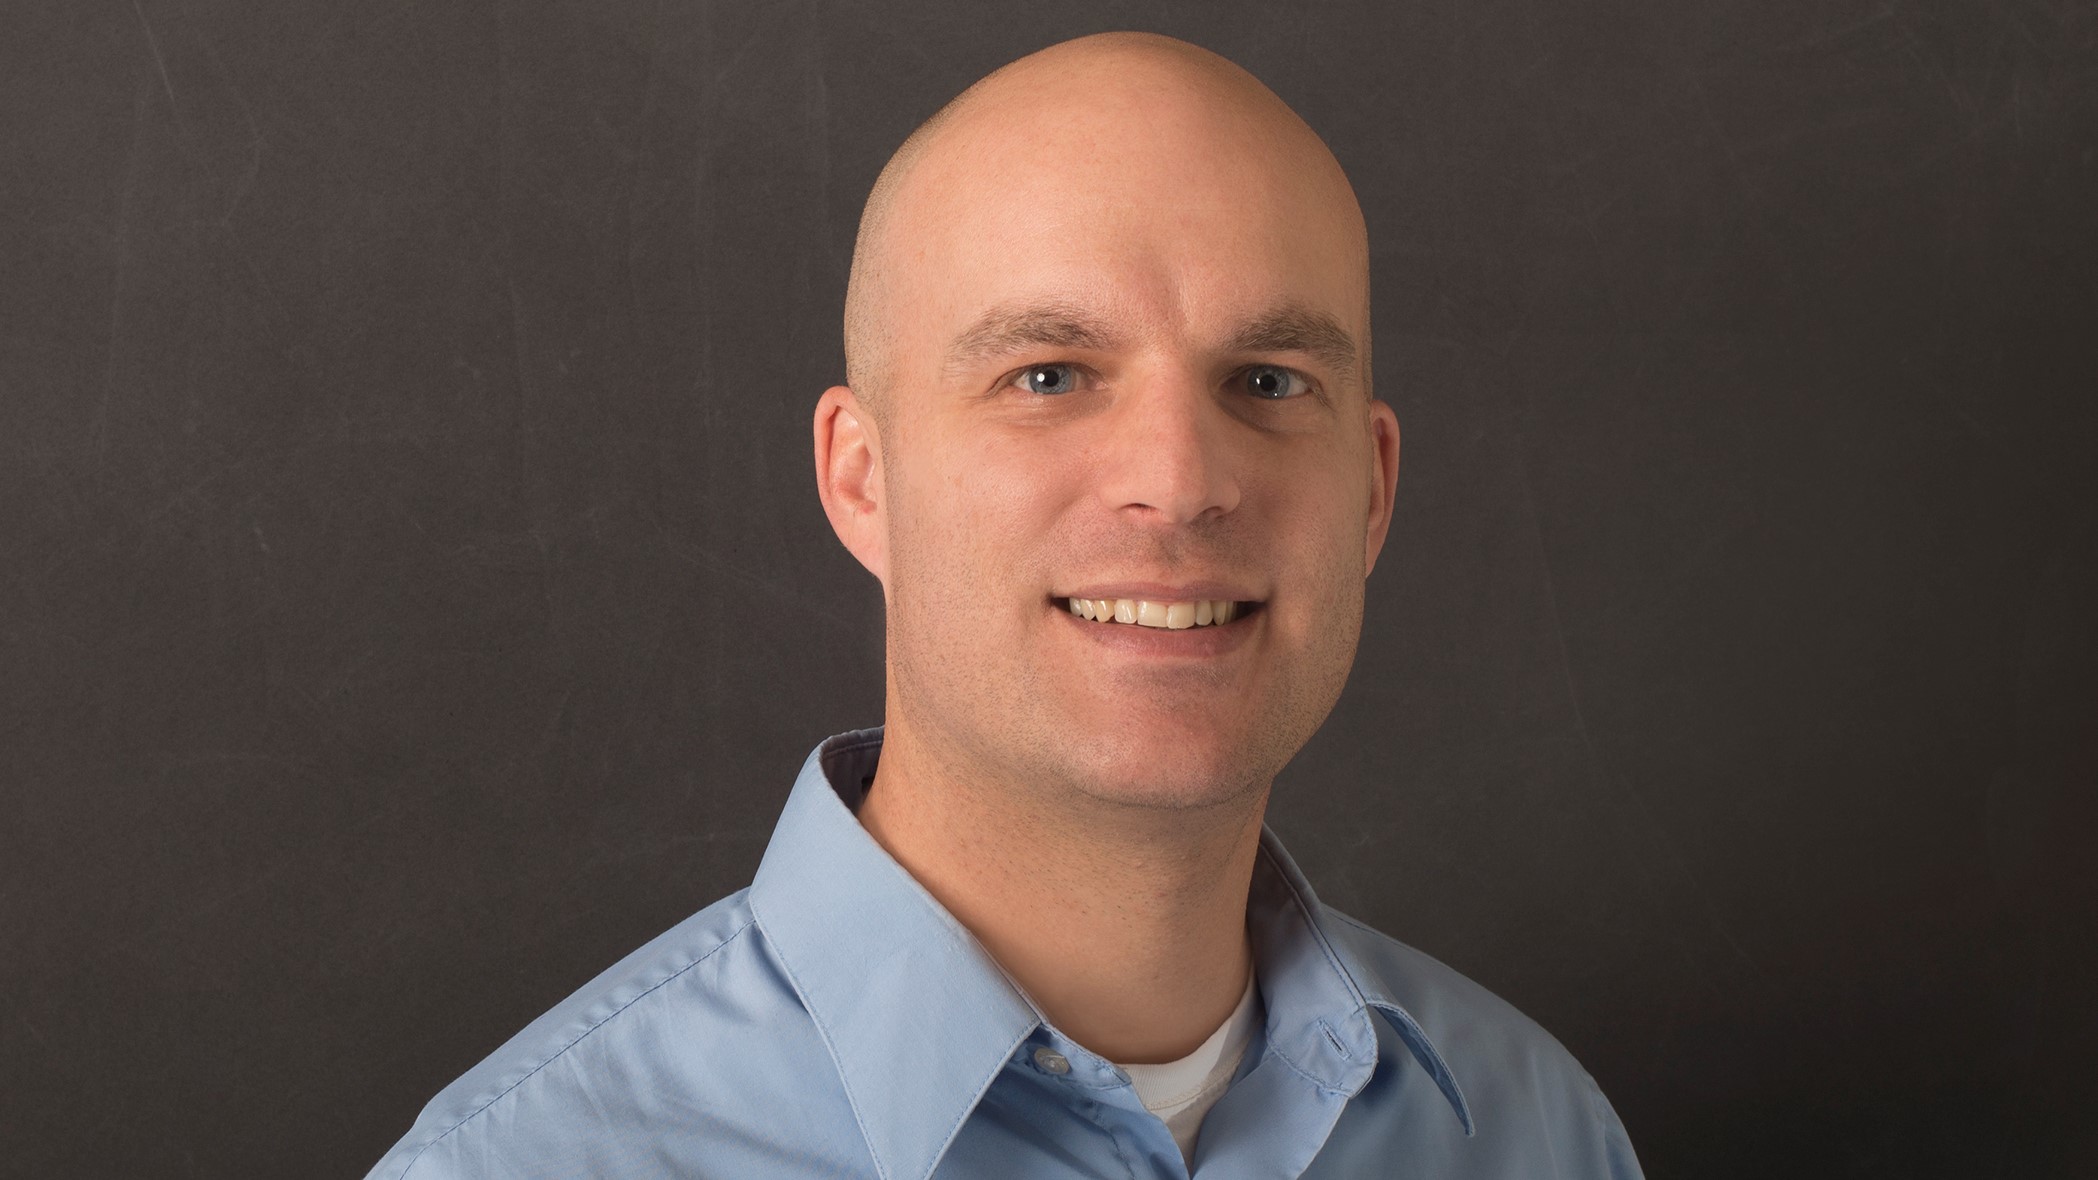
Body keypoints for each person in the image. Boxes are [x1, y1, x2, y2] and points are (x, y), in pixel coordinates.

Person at [366, 31, 1642, 1180]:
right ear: (863, 478)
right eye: (1049, 374)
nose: (1179, 480)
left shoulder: (1538, 1136)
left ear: (1369, 489)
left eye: (1266, 377)